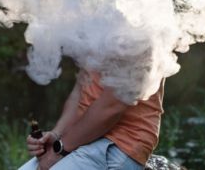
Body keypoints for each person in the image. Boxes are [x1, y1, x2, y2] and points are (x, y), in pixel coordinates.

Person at [18, 70, 165, 170]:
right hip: (82, 139)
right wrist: (56, 135)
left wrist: (59, 149)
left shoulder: (138, 30)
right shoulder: (95, 27)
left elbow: (112, 107)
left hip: (121, 143)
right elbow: (81, 90)